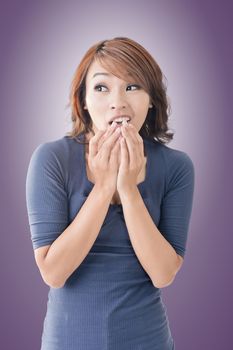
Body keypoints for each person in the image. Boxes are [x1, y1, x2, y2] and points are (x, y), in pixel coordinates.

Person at [26, 36, 195, 350]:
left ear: (152, 99)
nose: (118, 101)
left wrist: (129, 191)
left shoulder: (176, 166)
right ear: (85, 100)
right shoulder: (51, 159)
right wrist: (103, 188)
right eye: (102, 87)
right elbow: (53, 272)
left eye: (133, 87)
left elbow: (163, 274)